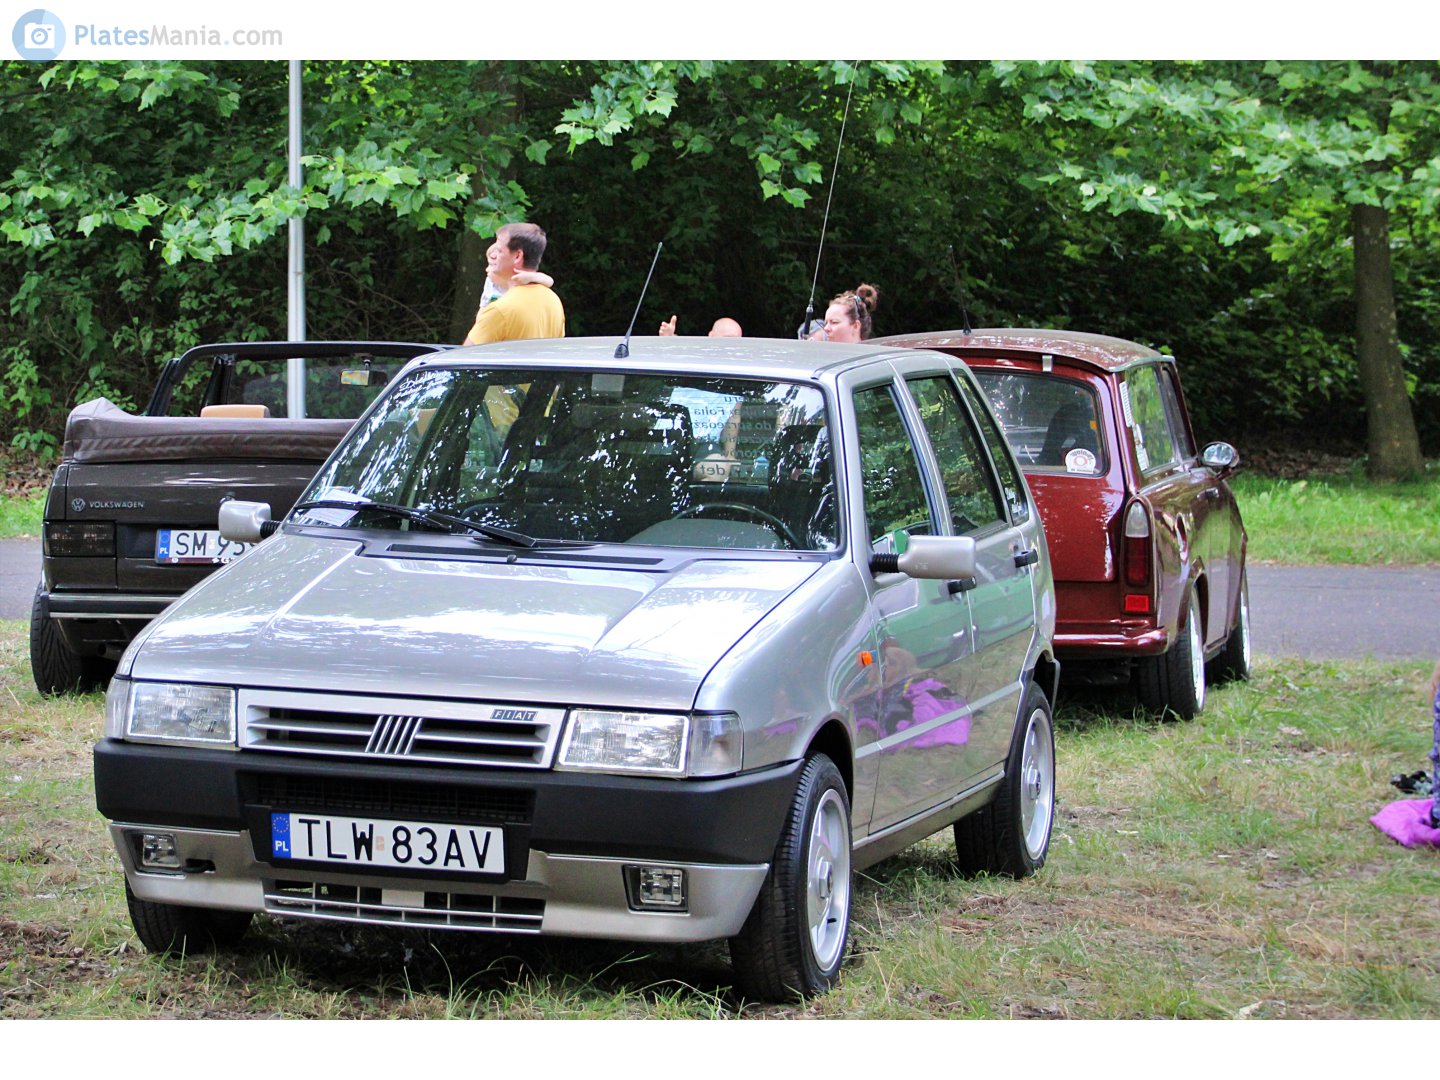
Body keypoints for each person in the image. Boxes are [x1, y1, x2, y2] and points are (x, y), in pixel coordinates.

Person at [462, 223, 565, 345]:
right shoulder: (553, 300)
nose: (493, 255)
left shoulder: (500, 310)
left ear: (517, 256)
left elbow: (463, 359)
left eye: (499, 251)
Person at [658, 315, 743, 337]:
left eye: (738, 341)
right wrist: (669, 339)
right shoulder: (700, 357)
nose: (733, 344)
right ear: (711, 335)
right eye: (728, 339)